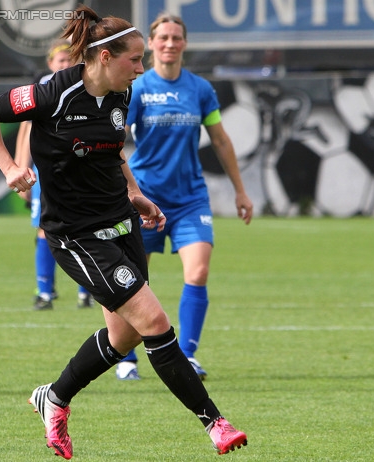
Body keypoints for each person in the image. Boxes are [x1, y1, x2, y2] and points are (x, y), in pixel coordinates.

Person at [0, 6, 247, 459]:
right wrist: (10, 167)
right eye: (134, 60)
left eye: (141, 60)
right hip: (76, 234)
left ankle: (53, 398)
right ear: (102, 57)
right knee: (155, 322)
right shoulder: (52, 92)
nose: (140, 69)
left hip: (121, 221)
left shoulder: (120, 93)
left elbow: (113, 151)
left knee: (124, 337)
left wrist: (134, 192)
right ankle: (215, 422)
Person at [120, 12, 253, 382]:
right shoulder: (139, 88)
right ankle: (126, 358)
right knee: (132, 281)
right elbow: (113, 140)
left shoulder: (200, 89)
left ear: (185, 44)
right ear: (151, 43)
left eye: (176, 37)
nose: (169, 43)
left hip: (190, 199)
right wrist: (125, 188)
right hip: (146, 200)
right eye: (163, 37)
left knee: (198, 271)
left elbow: (221, 140)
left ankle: (188, 356)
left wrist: (241, 191)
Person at [14, 39, 94, 310]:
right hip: (46, 172)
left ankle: (87, 291)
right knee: (44, 229)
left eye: (69, 60)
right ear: (50, 63)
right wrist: (20, 167)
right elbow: (26, 130)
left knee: (86, 227)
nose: (65, 64)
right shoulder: (41, 90)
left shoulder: (86, 86)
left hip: (81, 170)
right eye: (60, 60)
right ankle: (44, 292)